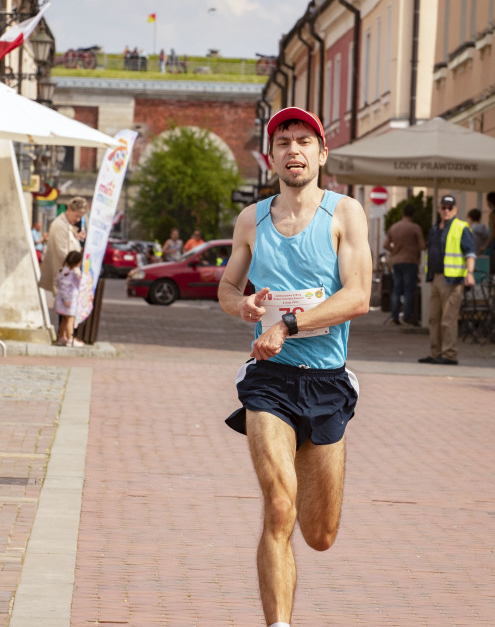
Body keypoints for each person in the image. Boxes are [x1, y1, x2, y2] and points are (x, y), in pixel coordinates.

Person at [218, 105, 372, 627]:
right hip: (270, 382)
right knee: (279, 506)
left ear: (322, 153)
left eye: (304, 141)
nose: (294, 150)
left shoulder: (345, 214)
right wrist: (242, 307)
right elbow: (226, 286)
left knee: (320, 534)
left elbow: (357, 297)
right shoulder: (251, 220)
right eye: (283, 142)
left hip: (327, 381)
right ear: (272, 157)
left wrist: (288, 325)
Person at [419, 194, 476, 365]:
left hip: (453, 280)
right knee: (434, 318)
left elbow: (470, 252)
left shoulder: (461, 227)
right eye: (443, 207)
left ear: (455, 209)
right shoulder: (435, 228)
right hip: (436, 279)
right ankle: (436, 353)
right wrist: (430, 277)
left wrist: (470, 273)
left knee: (448, 319)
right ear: (439, 209)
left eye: (449, 208)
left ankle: (449, 355)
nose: (446, 210)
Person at [382, 203, 425, 325]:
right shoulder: (415, 228)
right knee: (408, 290)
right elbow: (422, 246)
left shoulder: (394, 227)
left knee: (396, 289)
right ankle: (407, 316)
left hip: (397, 261)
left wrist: (394, 251)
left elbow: (385, 245)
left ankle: (395, 317)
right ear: (413, 215)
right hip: (411, 261)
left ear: (402, 214)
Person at [39, 197, 88, 296]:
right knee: (66, 308)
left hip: (67, 276)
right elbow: (62, 252)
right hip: (65, 277)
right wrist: (76, 269)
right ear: (69, 209)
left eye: (80, 217)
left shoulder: (66, 224)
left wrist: (76, 237)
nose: (77, 220)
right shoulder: (60, 225)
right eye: (77, 216)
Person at [55, 251, 84, 347]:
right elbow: (65, 287)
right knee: (70, 319)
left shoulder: (64, 271)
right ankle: (70, 339)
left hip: (64, 301)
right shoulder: (69, 273)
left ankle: (61, 337)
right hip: (68, 301)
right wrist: (67, 299)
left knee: (64, 319)